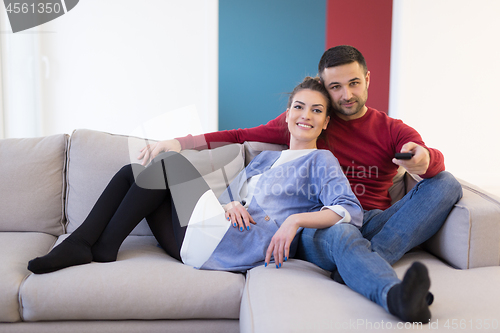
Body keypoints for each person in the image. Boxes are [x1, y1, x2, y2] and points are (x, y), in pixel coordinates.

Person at [138, 46, 463, 323]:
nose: (346, 94)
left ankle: (360, 262)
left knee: (446, 183)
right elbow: (238, 136)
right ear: (324, 89)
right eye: (335, 87)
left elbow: (425, 156)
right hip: (318, 223)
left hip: (375, 220)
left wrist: (422, 161)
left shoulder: (391, 129)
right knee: (342, 233)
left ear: (367, 79)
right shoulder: (311, 121)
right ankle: (393, 294)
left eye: (353, 83)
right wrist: (179, 143)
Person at [27, 76, 363, 274]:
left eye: (316, 110)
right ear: (287, 114)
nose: (306, 116)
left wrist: (295, 221)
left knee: (172, 162)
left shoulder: (321, 160)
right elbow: (228, 199)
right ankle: (95, 247)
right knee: (134, 172)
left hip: (230, 245)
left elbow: (350, 209)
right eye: (299, 107)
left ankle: (86, 244)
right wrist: (230, 204)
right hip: (202, 236)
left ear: (325, 121)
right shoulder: (264, 161)